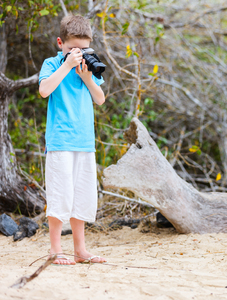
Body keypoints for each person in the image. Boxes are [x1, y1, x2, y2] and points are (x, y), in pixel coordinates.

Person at [39, 14, 107, 265]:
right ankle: (55, 250)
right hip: (60, 141)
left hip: (85, 142)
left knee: (82, 196)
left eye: (84, 49)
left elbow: (100, 99)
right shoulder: (52, 63)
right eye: (72, 49)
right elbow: (44, 90)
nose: (78, 53)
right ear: (60, 43)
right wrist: (66, 66)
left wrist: (87, 76)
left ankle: (81, 249)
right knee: (60, 196)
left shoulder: (89, 65)